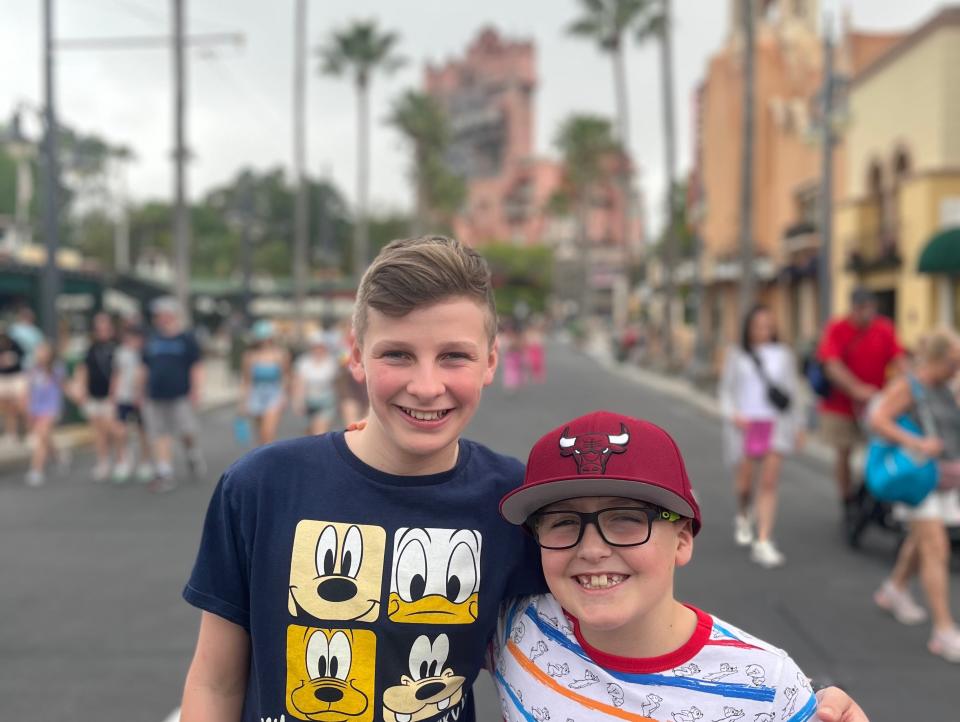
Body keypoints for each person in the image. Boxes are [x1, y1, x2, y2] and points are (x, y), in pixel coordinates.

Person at [178, 236, 866, 722]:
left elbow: (611, 615)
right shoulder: (262, 486)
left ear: (491, 361)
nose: (426, 385)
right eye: (397, 355)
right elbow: (215, 678)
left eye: (453, 355)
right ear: (355, 356)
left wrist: (789, 698)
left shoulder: (513, 502)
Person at [494, 410, 869, 722]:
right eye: (562, 522)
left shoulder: (769, 690)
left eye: (626, 519)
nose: (592, 549)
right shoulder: (516, 626)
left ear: (683, 538)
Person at [868, 329, 960, 663]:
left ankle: (894, 589)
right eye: (953, 362)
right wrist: (918, 444)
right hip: (917, 477)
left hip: (945, 478)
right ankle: (944, 631)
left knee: (921, 542)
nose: (957, 368)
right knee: (936, 545)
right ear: (937, 359)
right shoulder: (909, 386)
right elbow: (878, 420)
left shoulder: (947, 387)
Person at [719, 305, 804, 568]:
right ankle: (744, 514)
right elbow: (726, 390)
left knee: (768, 483)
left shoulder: (784, 355)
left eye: (769, 325)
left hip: (775, 424)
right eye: (758, 326)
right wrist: (733, 415)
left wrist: (798, 426)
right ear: (749, 328)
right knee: (745, 486)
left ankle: (764, 539)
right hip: (745, 426)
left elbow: (793, 392)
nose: (764, 331)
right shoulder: (737, 354)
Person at [816, 288, 904, 520]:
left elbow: (900, 359)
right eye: (863, 308)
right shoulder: (837, 328)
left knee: (880, 448)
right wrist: (855, 389)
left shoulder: (883, 329)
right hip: (841, 404)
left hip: (876, 404)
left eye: (871, 308)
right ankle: (846, 499)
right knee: (844, 450)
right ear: (854, 308)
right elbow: (831, 364)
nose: (868, 314)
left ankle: (874, 493)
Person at [142, 297, 205, 493]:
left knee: (186, 431)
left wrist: (196, 390)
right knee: (160, 433)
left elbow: (196, 366)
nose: (161, 318)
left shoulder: (186, 339)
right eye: (158, 315)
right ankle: (165, 472)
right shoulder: (152, 339)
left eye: (164, 314)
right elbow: (144, 366)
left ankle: (191, 453)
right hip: (155, 394)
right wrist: (140, 390)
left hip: (180, 393)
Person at [72, 312, 118, 481]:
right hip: (94, 395)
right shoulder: (90, 348)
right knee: (98, 432)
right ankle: (103, 462)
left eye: (105, 328)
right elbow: (82, 369)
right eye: (99, 328)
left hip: (111, 396)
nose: (102, 331)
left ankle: (120, 457)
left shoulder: (117, 348)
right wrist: (81, 388)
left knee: (113, 429)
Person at [110, 324, 153, 483]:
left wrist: (140, 392)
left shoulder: (145, 353)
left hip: (142, 398)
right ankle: (123, 460)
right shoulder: (121, 352)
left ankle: (145, 461)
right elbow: (117, 373)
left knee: (143, 431)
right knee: (120, 431)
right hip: (123, 397)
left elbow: (146, 373)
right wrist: (113, 394)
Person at [23, 341, 67, 487]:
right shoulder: (33, 370)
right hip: (36, 408)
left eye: (44, 351)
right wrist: (28, 410)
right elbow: (29, 391)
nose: (41, 353)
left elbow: (65, 386)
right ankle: (58, 456)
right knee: (46, 437)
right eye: (39, 350)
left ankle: (37, 470)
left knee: (41, 437)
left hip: (51, 408)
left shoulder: (56, 369)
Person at [239, 319, 290, 446]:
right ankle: (263, 460)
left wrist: (283, 395)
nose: (264, 341)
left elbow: (285, 376)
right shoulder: (249, 356)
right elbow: (246, 381)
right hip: (256, 394)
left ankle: (270, 462)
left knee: (268, 432)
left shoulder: (280, 354)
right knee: (261, 435)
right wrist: (243, 402)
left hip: (274, 394)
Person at [291, 329, 338, 435]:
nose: (318, 350)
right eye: (315, 347)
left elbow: (336, 383)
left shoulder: (331, 362)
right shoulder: (304, 362)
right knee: (309, 434)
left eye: (321, 347)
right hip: (309, 402)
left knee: (320, 434)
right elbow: (299, 383)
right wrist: (297, 401)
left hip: (326, 402)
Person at [0, 324, 26, 445]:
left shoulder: (14, 343)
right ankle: (10, 433)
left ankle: (25, 432)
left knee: (21, 406)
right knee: (6, 407)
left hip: (16, 376)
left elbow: (22, 355)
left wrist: (12, 359)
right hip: (4, 377)